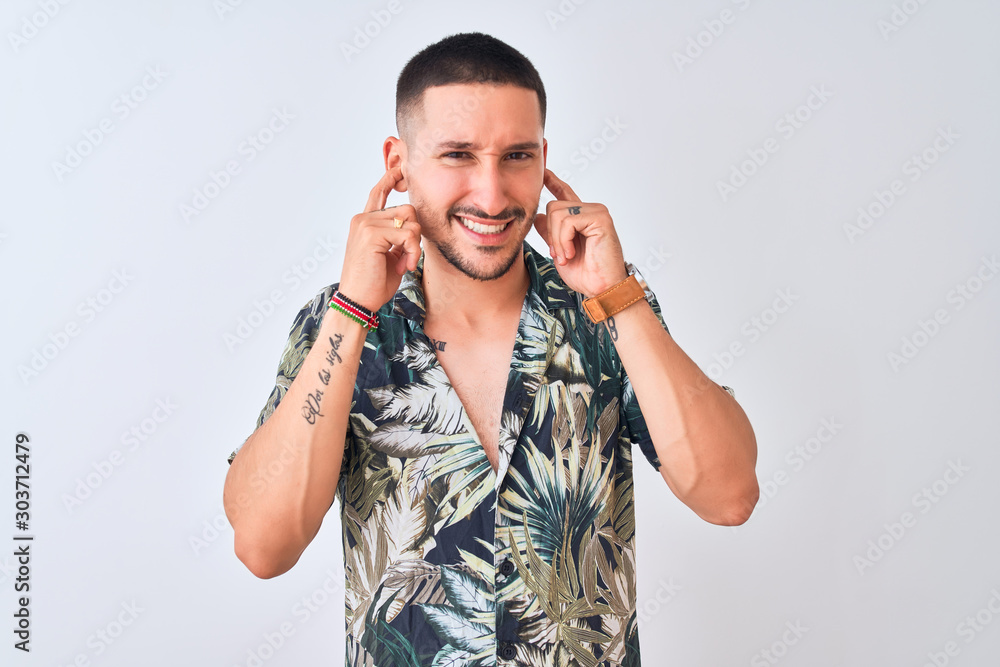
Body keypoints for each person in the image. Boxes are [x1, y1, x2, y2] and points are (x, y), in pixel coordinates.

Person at [223, 31, 758, 667]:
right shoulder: (339, 326)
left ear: (544, 159)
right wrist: (350, 311)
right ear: (399, 163)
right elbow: (264, 547)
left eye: (516, 156)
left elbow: (729, 496)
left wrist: (619, 297)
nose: (493, 194)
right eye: (457, 155)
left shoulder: (605, 310)